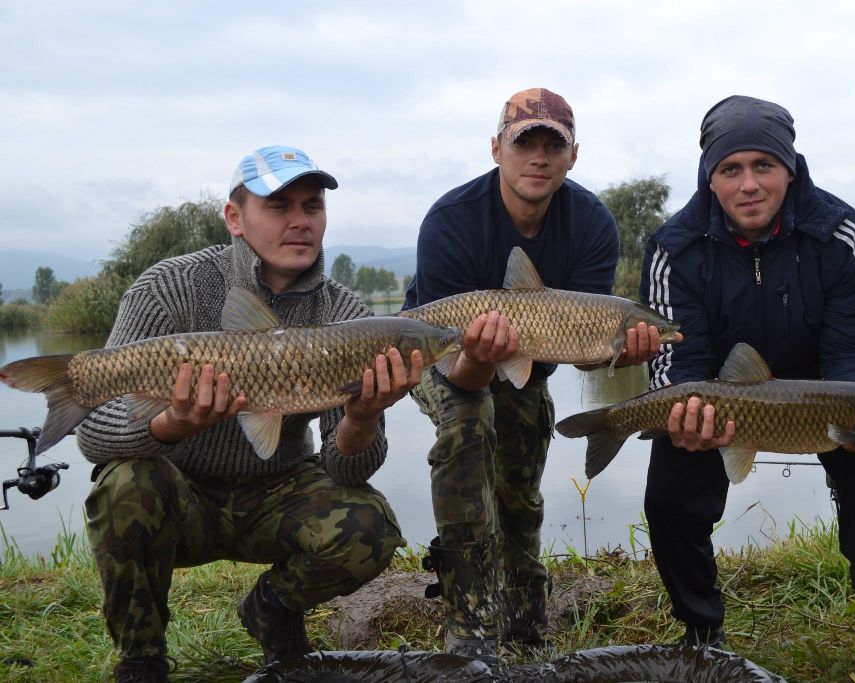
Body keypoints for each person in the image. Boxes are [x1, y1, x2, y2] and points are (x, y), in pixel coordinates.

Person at [77, 146, 416, 682]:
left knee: (369, 526)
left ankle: (272, 610)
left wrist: (362, 417)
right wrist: (171, 424)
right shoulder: (170, 288)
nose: (301, 221)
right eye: (280, 206)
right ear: (235, 218)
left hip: (276, 488)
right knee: (123, 485)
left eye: (313, 206)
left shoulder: (347, 314)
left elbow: (347, 470)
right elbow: (93, 437)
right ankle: (141, 659)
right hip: (180, 491)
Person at [640, 95, 855, 682]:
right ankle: (702, 630)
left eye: (763, 166)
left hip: (821, 384)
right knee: (668, 490)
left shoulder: (841, 232)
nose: (749, 184)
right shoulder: (674, 247)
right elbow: (677, 363)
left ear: (790, 168)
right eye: (730, 169)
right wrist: (684, 409)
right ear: (710, 177)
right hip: (718, 391)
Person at [403, 87, 673, 661]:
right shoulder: (451, 221)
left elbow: (579, 344)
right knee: (466, 429)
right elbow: (456, 367)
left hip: (529, 355)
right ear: (497, 148)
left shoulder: (592, 222)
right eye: (526, 142)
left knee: (520, 477)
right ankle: (468, 618)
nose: (540, 157)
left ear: (574, 155)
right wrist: (478, 357)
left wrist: (616, 353)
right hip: (439, 348)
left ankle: (525, 612)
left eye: (555, 144)